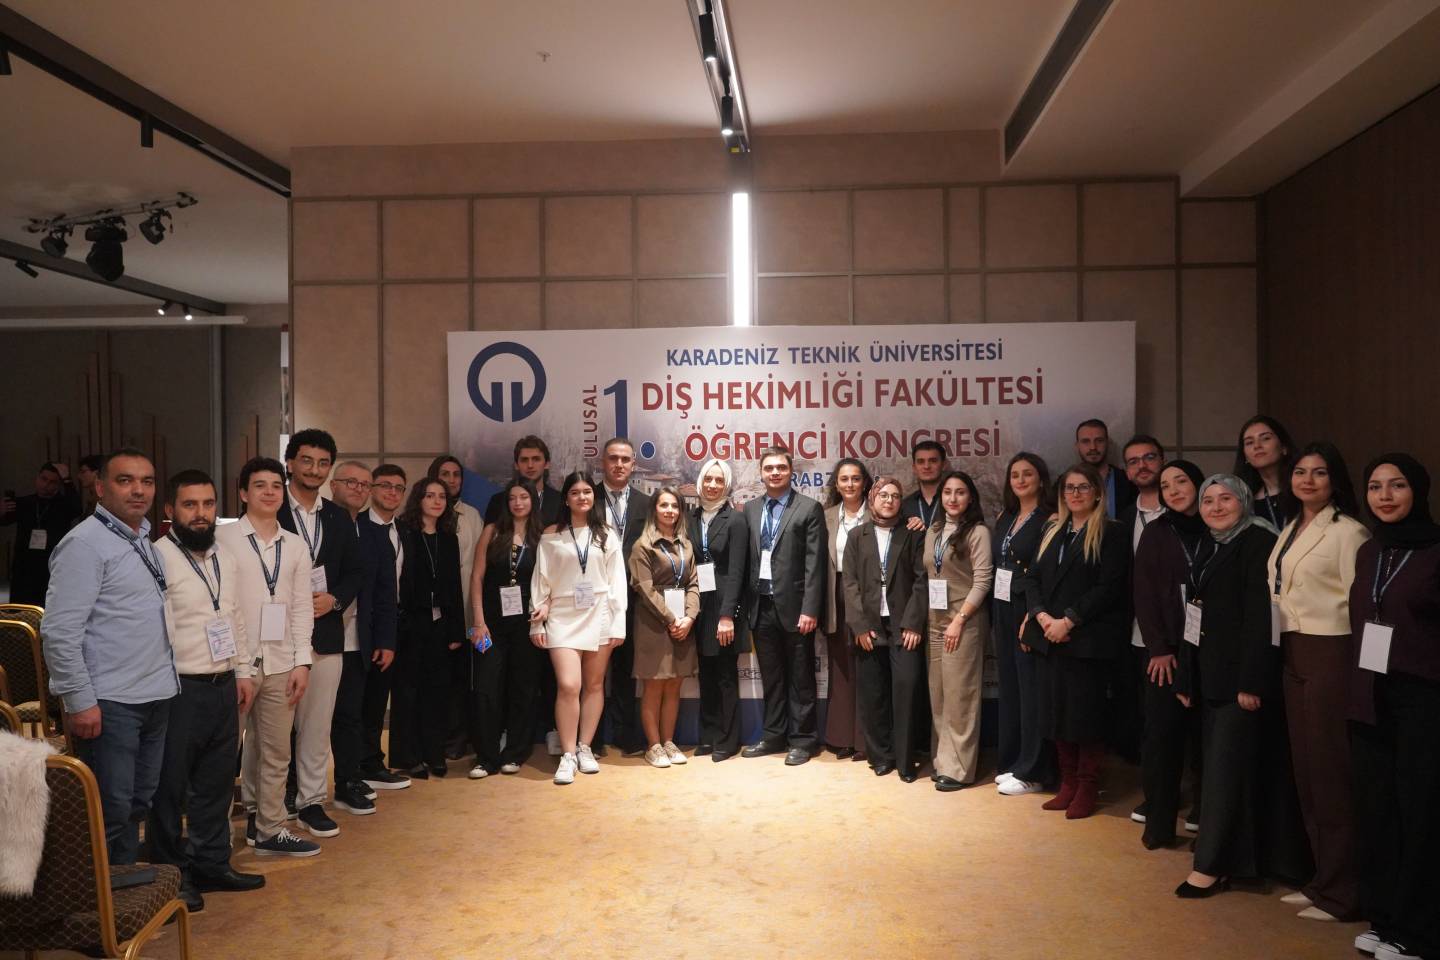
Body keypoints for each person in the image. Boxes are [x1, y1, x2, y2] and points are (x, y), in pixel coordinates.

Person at [1174, 475, 1309, 898]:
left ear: (1244, 501)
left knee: (1225, 774)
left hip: (1240, 681)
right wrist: (1187, 675)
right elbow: (1194, 611)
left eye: (1226, 499)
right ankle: (1239, 861)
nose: (1216, 507)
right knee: (1228, 772)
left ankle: (1211, 866)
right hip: (1211, 675)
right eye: (1208, 500)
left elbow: (1261, 618)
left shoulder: (1258, 542)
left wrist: (1252, 681)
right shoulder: (1211, 543)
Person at [42, 448, 178, 864]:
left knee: (137, 801)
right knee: (110, 807)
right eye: (125, 480)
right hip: (110, 701)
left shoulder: (144, 541)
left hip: (155, 693)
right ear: (100, 488)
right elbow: (60, 631)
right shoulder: (84, 544)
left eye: (147, 481)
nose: (138, 490)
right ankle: (98, 894)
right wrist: (79, 700)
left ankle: (123, 882)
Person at [149, 470, 264, 912]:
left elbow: (234, 618)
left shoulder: (224, 558)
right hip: (178, 688)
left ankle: (212, 864)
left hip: (223, 685)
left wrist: (243, 672)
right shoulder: (157, 558)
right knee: (170, 789)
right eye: (190, 505)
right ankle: (171, 875)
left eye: (208, 504)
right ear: (170, 510)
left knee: (216, 783)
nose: (201, 514)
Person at [1267, 441, 1369, 921]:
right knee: (1306, 771)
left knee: (1331, 773)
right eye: (1300, 472)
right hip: (1291, 649)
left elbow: (1362, 607)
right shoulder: (1291, 526)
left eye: (1320, 473)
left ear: (1335, 480)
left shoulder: (1349, 532)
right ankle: (1322, 878)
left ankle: (1344, 891)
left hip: (1331, 651)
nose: (1308, 480)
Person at [1347, 454, 1440, 960]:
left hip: (1423, 698)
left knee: (1420, 813)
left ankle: (1418, 931)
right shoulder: (1371, 550)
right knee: (1378, 811)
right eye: (1375, 486)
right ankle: (1384, 919)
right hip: (1370, 694)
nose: (1384, 496)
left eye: (1397, 485)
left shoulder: (1435, 549)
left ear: (1418, 491)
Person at [216, 457, 318, 858]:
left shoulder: (295, 545)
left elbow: (302, 607)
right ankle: (216, 835)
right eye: (260, 485)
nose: (270, 492)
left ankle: (270, 828)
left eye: (277, 485)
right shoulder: (222, 539)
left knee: (277, 752)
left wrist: (302, 662)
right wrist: (236, 664)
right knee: (223, 753)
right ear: (243, 493)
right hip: (233, 665)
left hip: (281, 663)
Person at [1017, 462, 1128, 819]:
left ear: (1097, 493)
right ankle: (1067, 784)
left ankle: (1087, 786)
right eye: (1069, 488)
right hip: (1050, 636)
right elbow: (1032, 578)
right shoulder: (1053, 529)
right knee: (1056, 715)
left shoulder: (1111, 532)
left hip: (1087, 640)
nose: (1075, 494)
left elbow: (1109, 587)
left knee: (1085, 717)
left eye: (1083, 487)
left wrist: (1068, 621)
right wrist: (1042, 617)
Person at [280, 429, 362, 839]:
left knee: (317, 725)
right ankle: (268, 805)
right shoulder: (271, 507)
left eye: (323, 463)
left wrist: (335, 600)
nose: (314, 469)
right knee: (272, 729)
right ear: (290, 462)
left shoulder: (337, 517)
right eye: (307, 460)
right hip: (277, 636)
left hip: (327, 632)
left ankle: (310, 801)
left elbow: (354, 572)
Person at [529, 471, 628, 784]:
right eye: (575, 492)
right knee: (569, 685)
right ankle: (568, 754)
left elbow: (617, 581)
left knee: (595, 685)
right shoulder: (551, 534)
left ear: (593, 497)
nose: (582, 497)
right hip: (561, 615)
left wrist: (618, 622)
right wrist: (537, 621)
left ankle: (585, 747)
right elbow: (541, 578)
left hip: (600, 612)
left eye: (587, 492)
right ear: (566, 498)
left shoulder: (607, 534)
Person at [1132, 460, 1209, 848]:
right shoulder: (1157, 533)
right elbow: (1144, 594)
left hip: (1211, 651)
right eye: (1166, 485)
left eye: (1181, 481)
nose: (1174, 490)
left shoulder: (1218, 527)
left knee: (1207, 742)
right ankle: (1159, 824)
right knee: (1162, 738)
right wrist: (1158, 648)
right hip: (1168, 653)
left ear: (1199, 484)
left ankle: (1206, 823)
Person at [741, 446, 827, 766]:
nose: (775, 472)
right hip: (760, 605)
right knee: (772, 677)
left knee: (801, 677)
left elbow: (815, 564)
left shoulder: (808, 508)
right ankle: (773, 735)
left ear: (791, 472)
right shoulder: (750, 509)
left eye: (781, 467)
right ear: (761, 473)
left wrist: (810, 608)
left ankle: (803, 740)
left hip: (796, 608)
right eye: (769, 468)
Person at [326, 460, 399, 815]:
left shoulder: (375, 534)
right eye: (350, 482)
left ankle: (348, 781)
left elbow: (386, 594)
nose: (358, 489)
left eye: (364, 484)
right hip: (319, 637)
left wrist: (386, 640)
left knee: (350, 715)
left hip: (359, 640)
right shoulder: (319, 525)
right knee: (308, 721)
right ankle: (296, 789)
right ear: (333, 485)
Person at [842, 476, 926, 779]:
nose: (889, 500)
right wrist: (859, 626)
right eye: (883, 495)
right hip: (870, 626)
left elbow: (922, 581)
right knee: (873, 694)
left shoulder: (913, 534)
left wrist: (914, 623)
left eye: (895, 496)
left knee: (906, 690)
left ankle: (905, 760)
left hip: (904, 627)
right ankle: (880, 756)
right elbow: (849, 583)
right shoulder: (857, 536)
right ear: (873, 499)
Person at [914, 470, 993, 791]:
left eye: (960, 492)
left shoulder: (978, 532)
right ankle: (942, 760)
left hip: (965, 621)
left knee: (961, 696)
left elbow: (983, 581)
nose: (953, 498)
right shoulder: (933, 531)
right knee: (939, 695)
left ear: (970, 497)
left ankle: (959, 769)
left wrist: (960, 620)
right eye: (947, 492)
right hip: (935, 620)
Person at [468, 479, 545, 778]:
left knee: (523, 688)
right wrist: (478, 621)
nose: (518, 503)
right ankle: (485, 757)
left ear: (532, 500)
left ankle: (515, 752)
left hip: (527, 623)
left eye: (524, 497)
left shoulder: (543, 535)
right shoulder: (492, 531)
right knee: (486, 688)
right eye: (512, 498)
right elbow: (477, 577)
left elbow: (551, 579)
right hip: (491, 625)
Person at [390, 477, 466, 779]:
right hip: (410, 622)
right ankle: (409, 757)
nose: (436, 501)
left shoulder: (449, 538)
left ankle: (434, 753)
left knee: (437, 692)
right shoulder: (404, 532)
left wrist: (457, 630)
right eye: (430, 495)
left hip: (441, 624)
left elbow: (455, 587)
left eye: (442, 497)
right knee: (408, 691)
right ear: (418, 499)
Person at [993, 452, 1057, 796]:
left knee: (1032, 691)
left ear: (1041, 479)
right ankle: (1015, 761)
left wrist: (1033, 615)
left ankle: (1035, 771)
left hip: (1027, 609)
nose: (1020, 480)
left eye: (1027, 474)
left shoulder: (1050, 519)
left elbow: (1046, 574)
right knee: (1011, 689)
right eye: (1015, 474)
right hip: (1002, 606)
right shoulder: (1006, 517)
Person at [629, 487, 701, 768]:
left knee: (674, 684)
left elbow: (694, 583)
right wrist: (671, 619)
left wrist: (689, 618)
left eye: (675, 506)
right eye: (664, 505)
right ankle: (653, 746)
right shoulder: (643, 545)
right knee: (654, 685)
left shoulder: (686, 545)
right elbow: (644, 588)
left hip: (683, 623)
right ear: (654, 510)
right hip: (654, 623)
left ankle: (669, 742)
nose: (670, 511)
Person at [687, 458, 749, 761]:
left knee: (725, 675)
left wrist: (727, 615)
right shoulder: (691, 517)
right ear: (701, 482)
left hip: (725, 609)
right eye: (708, 479)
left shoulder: (735, 520)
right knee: (706, 675)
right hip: (699, 605)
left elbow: (737, 571)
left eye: (719, 480)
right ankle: (708, 736)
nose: (712, 485)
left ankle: (728, 740)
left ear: (726, 485)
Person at [357, 463, 411, 791]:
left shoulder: (402, 530)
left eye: (398, 487)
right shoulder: (358, 527)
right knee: (362, 703)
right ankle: (362, 765)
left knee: (379, 700)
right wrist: (382, 637)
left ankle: (372, 761)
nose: (392, 492)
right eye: (385, 486)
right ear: (371, 489)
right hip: (368, 631)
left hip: (397, 625)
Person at [1114, 436, 1167, 769]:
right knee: (1142, 709)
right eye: (1133, 461)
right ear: (1126, 472)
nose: (1142, 466)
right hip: (1133, 629)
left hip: (1176, 630)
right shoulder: (1123, 518)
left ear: (1162, 461)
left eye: (1149, 458)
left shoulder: (1182, 509)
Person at [596, 437, 652, 756]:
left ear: (633, 465)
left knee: (625, 668)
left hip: (633, 597)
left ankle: (624, 734)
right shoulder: (586, 497)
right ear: (603, 462)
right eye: (613, 458)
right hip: (593, 598)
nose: (619, 464)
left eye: (625, 459)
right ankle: (591, 737)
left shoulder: (646, 503)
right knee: (592, 671)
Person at [430, 455, 483, 761]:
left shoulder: (471, 515)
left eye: (456, 475)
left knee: (463, 678)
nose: (451, 480)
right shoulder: (423, 513)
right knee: (437, 678)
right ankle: (436, 737)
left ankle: (459, 737)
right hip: (433, 614)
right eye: (444, 474)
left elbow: (479, 566)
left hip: (466, 611)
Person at [821, 458, 871, 760]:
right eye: (844, 479)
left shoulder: (877, 513)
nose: (850, 484)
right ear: (836, 485)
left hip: (868, 598)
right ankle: (841, 738)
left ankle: (865, 740)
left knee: (868, 666)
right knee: (840, 666)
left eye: (855, 478)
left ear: (864, 483)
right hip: (834, 595)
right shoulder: (826, 516)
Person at [2, 461, 80, 605]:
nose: (46, 485)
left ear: (58, 485)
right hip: (24, 567)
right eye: (43, 479)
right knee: (22, 610)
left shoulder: (63, 505)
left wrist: (67, 479)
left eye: (52, 482)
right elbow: (4, 521)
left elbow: (77, 508)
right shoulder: (24, 503)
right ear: (37, 478)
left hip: (52, 567)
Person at [483, 435, 563, 527]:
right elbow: (490, 534)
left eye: (536, 459)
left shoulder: (560, 501)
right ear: (516, 465)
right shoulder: (498, 501)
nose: (530, 465)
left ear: (547, 464)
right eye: (524, 460)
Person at [1235, 415, 1297, 530]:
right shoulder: (1245, 501)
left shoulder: (1304, 488)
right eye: (1249, 442)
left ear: (1284, 447)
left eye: (1266, 438)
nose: (1257, 446)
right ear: (1245, 457)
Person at [1075, 419, 1136, 518]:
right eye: (1086, 441)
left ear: (1107, 443)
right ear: (1077, 446)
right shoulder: (1064, 483)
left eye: (1099, 441)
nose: (1093, 447)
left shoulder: (1127, 480)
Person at [901, 440, 945, 529]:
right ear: (914, 467)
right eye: (921, 461)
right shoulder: (905, 506)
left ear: (943, 465)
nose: (926, 466)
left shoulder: (954, 502)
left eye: (933, 461)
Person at [76, 453, 104, 520]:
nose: (78, 476)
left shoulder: (105, 499)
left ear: (97, 473)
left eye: (83, 472)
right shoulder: (92, 497)